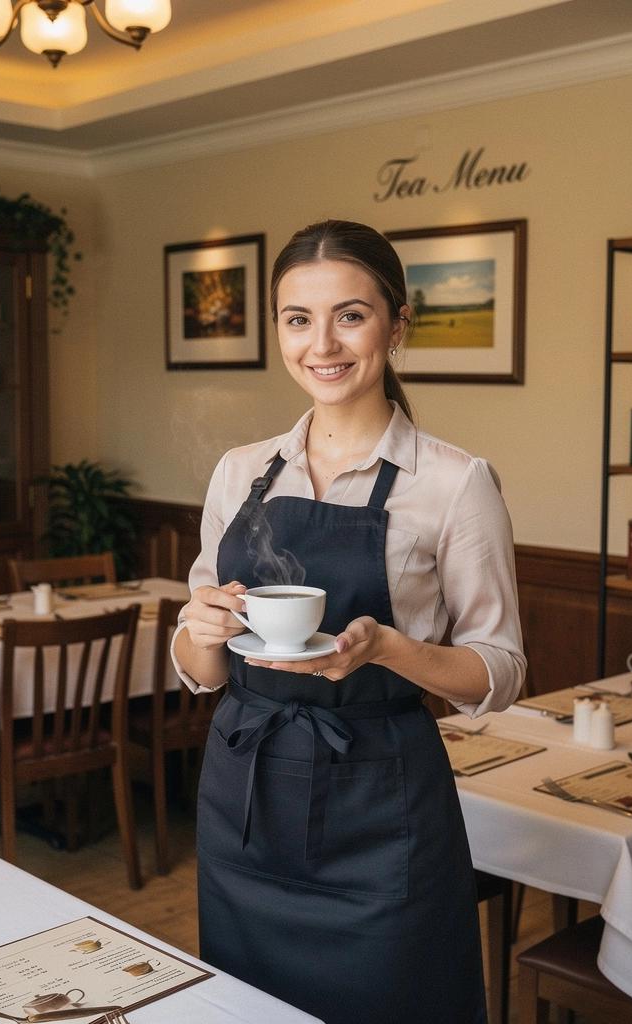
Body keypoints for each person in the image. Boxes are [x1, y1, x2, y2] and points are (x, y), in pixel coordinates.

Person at [172, 219, 526, 1024]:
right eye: (298, 319)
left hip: (380, 803)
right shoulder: (239, 472)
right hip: (245, 796)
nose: (321, 343)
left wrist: (391, 651)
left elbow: (500, 670)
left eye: (351, 315)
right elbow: (203, 668)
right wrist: (196, 632)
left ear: (398, 325)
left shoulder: (454, 482)